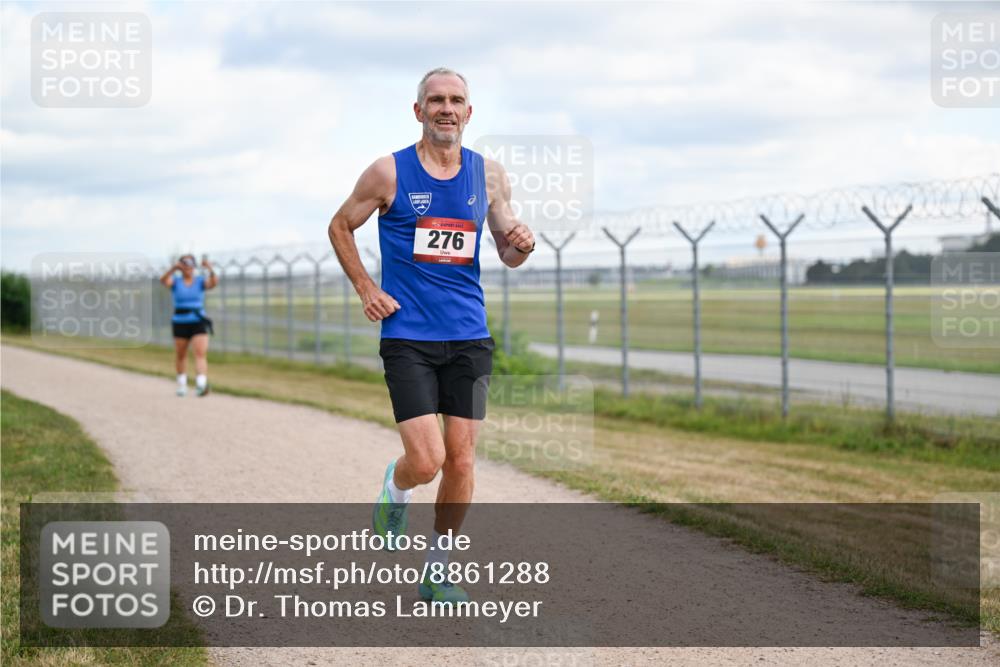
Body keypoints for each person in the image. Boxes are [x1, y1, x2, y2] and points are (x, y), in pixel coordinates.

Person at [328, 67, 535, 604]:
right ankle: (396, 489)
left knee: (462, 460)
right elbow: (340, 225)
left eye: (457, 100)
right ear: (418, 110)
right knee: (428, 461)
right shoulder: (387, 172)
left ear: (470, 113)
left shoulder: (489, 176)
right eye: (436, 100)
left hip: (468, 335)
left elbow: (507, 253)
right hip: (409, 337)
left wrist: (522, 244)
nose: (447, 108)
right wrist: (366, 288)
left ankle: (438, 569)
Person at [159, 254, 218, 397]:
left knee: (200, 353)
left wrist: (210, 268)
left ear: (194, 266)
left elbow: (213, 283)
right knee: (181, 355)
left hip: (198, 321)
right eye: (184, 263)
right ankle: (182, 385)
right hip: (180, 322)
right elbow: (163, 280)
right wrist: (173, 268)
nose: (188, 266)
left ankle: (201, 385)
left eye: (191, 263)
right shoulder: (176, 282)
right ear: (181, 265)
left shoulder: (199, 282)